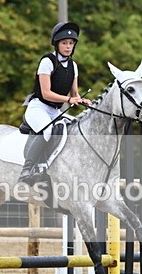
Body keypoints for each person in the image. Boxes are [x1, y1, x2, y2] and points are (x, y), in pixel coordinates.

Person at [18, 21, 91, 185]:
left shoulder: (73, 66)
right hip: (39, 107)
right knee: (48, 130)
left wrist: (82, 99)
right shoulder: (47, 62)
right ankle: (27, 170)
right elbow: (46, 93)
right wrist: (69, 100)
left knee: (77, 127)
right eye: (65, 43)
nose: (68, 46)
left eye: (71, 43)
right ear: (57, 44)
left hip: (55, 111)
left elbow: (74, 93)